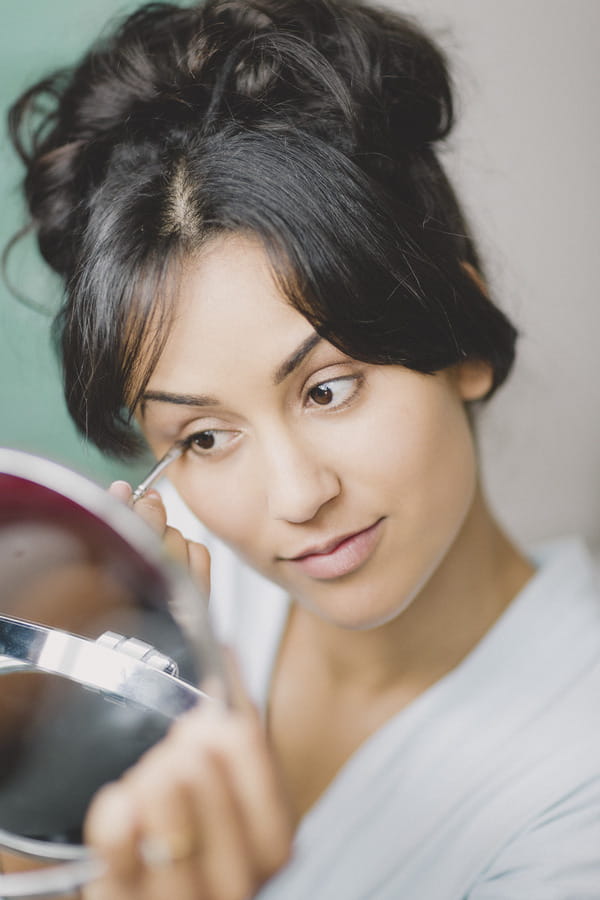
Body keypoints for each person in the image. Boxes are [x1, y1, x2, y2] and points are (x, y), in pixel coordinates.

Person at [5, 0, 600, 897]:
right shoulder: (163, 624)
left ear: (463, 340)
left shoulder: (577, 781)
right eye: (205, 436)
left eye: (328, 388)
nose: (295, 497)